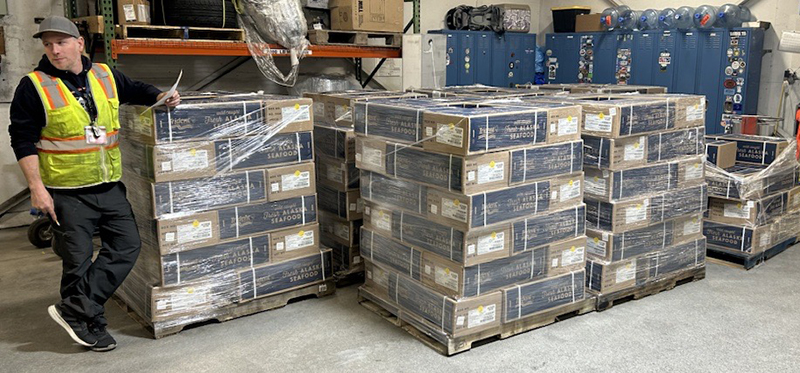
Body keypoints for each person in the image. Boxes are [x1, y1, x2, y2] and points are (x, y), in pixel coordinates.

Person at [8, 16, 180, 352]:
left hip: (108, 185)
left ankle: (74, 310)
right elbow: (22, 139)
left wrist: (161, 95)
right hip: (67, 192)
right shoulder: (34, 85)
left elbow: (136, 89)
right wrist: (36, 188)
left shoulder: (104, 74)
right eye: (48, 44)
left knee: (127, 245)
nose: (54, 50)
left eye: (61, 42)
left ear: (79, 44)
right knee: (77, 260)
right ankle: (92, 324)